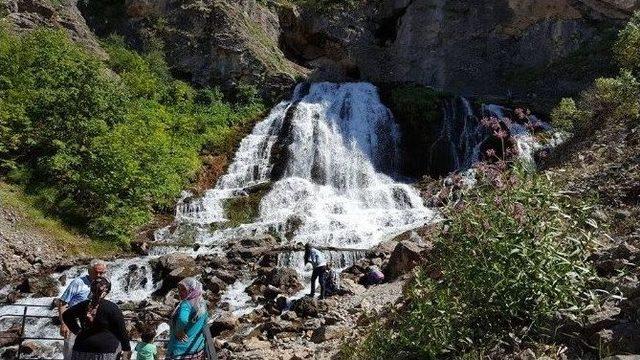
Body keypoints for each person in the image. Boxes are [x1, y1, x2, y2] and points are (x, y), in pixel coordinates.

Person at [62, 277, 131, 360]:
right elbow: (121, 331)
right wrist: (126, 349)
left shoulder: (83, 305)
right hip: (105, 349)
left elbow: (66, 315)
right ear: (107, 291)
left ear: (91, 289)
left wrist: (77, 330)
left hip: (81, 346)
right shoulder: (112, 307)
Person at [57, 260, 108, 360]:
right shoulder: (78, 283)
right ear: (89, 271)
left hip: (93, 326)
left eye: (101, 272)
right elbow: (62, 303)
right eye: (96, 272)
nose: (98, 275)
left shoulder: (104, 284)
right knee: (70, 353)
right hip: (74, 323)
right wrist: (64, 323)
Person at [166, 278, 209, 360]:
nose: (180, 292)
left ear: (191, 290)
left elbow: (183, 319)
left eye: (183, 290)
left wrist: (179, 330)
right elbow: (205, 319)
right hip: (197, 348)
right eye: (179, 289)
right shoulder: (201, 302)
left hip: (181, 350)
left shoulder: (186, 304)